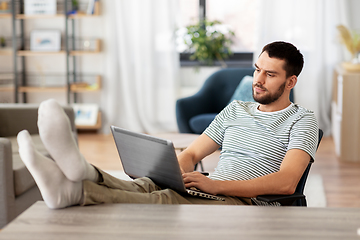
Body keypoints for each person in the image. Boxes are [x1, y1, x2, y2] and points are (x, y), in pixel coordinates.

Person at [17, 41, 318, 209]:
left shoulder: (302, 119)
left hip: (247, 202)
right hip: (214, 189)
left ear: (291, 81)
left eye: (270, 74)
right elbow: (192, 154)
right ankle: (83, 174)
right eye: (257, 69)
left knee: (163, 200)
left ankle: (77, 190)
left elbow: (286, 182)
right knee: (148, 185)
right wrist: (173, 171)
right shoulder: (236, 109)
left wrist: (216, 185)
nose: (258, 80)